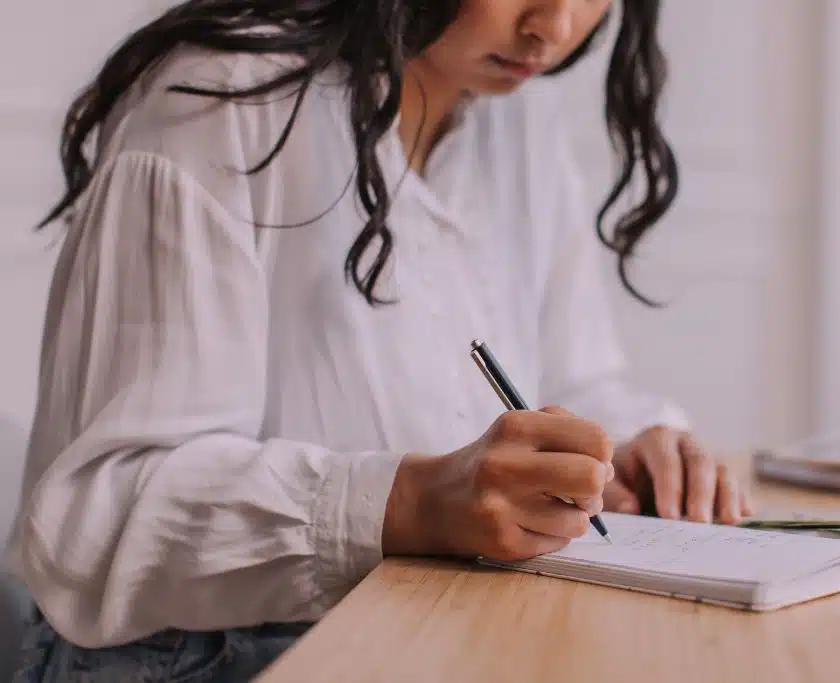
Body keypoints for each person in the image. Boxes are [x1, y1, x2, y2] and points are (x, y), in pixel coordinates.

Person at [10, 0, 754, 680]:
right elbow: (95, 519)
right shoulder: (220, 101)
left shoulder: (516, 118)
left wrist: (619, 449)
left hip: (417, 635)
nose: (552, 29)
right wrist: (410, 503)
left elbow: (578, 374)